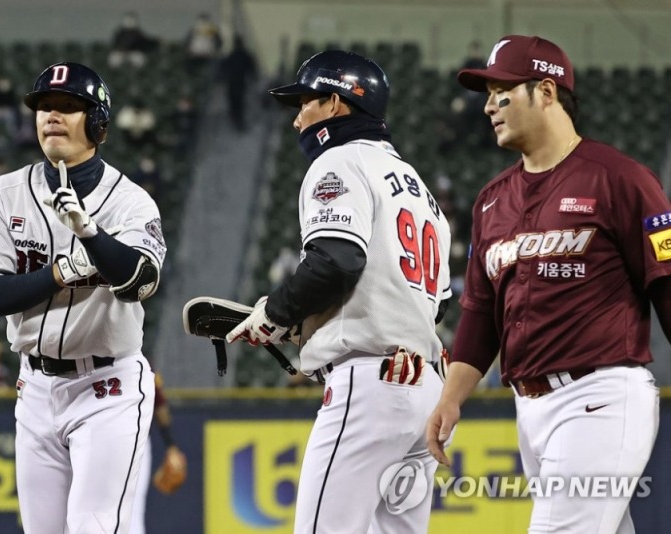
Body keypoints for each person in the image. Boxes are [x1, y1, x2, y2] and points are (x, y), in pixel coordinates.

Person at [426, 35, 671, 533]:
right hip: (530, 409)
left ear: (546, 92)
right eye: (487, 95)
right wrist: (450, 397)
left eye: (503, 92)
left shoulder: (621, 179)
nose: (489, 106)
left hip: (599, 396)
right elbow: (479, 312)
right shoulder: (491, 200)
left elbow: (666, 286)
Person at [226, 50, 452, 533]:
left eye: (304, 104)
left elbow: (336, 259)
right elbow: (440, 302)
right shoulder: (420, 189)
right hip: (424, 389)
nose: (296, 121)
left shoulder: (341, 161)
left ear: (334, 102)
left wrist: (276, 314)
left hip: (371, 387)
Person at [0, 62, 166, 533]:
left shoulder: (132, 202)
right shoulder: (5, 193)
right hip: (34, 387)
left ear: (97, 123)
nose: (52, 114)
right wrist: (58, 273)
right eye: (45, 106)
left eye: (69, 106)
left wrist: (91, 234)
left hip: (107, 388)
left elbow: (140, 280)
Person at [129, 372, 187, 534]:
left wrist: (171, 445)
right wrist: (171, 445)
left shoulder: (143, 365)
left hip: (132, 441)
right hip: (131, 441)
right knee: (132, 507)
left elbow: (158, 402)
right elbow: (160, 405)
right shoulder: (142, 364)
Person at [219, 35, 257, 131]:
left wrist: (222, 79)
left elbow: (223, 69)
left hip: (232, 83)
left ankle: (235, 120)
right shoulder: (245, 55)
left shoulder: (231, 56)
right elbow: (251, 68)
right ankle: (239, 122)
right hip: (240, 83)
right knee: (239, 103)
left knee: (234, 103)